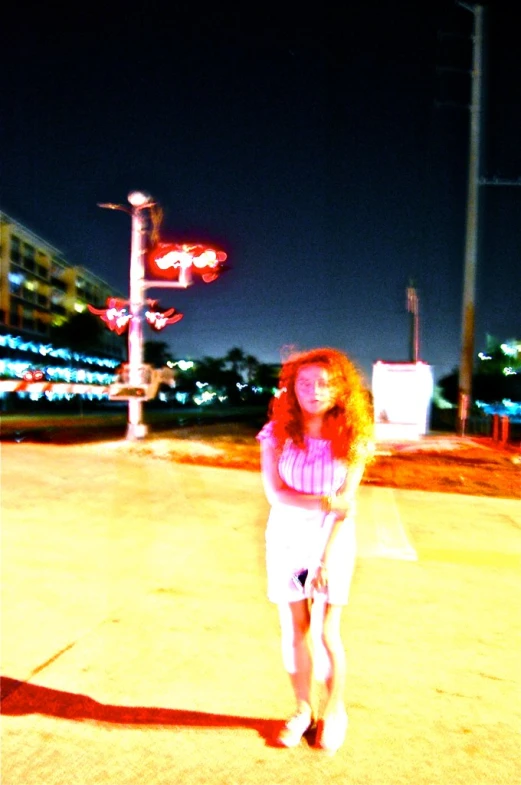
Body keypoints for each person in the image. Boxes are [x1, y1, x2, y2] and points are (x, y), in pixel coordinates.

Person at [257, 347, 373, 753]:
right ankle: (303, 708)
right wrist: (325, 501)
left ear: (341, 389)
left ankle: (335, 710)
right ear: (291, 388)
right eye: (304, 383)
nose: (313, 390)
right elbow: (276, 494)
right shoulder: (276, 433)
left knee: (325, 632)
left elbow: (347, 506)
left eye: (324, 383)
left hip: (331, 543)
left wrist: (323, 558)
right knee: (295, 628)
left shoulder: (354, 437)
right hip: (288, 543)